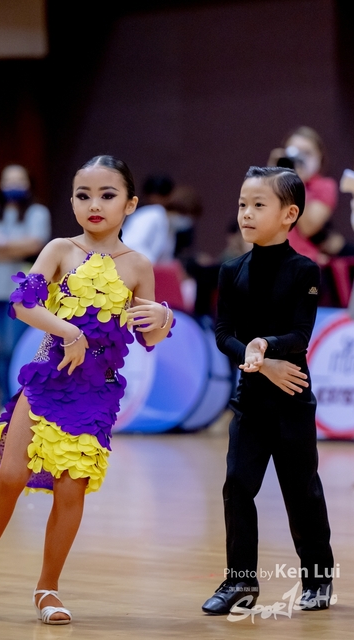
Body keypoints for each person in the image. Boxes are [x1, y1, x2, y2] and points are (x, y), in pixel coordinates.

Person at [0, 155, 174, 625]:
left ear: (130, 204)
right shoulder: (60, 249)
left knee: (71, 491)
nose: (95, 204)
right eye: (83, 195)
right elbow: (22, 304)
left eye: (108, 195)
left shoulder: (139, 266)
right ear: (72, 202)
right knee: (11, 475)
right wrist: (69, 331)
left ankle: (48, 588)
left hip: (95, 392)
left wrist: (163, 316)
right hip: (48, 376)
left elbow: (150, 337)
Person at [202, 166, 334, 616]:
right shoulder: (231, 270)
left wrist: (266, 346)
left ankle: (318, 579)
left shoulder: (304, 270)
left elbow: (300, 334)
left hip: (292, 398)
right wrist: (259, 361)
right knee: (237, 485)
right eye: (243, 204)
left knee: (301, 491)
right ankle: (240, 582)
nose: (246, 213)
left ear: (289, 214)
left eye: (259, 205)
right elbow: (223, 334)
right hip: (251, 399)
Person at [0, 164, 51, 407]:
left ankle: (23, 399)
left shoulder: (37, 212)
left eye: (19, 180)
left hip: (22, 294)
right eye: (8, 181)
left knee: (13, 347)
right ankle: (5, 401)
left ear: (29, 184)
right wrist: (13, 248)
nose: (13, 186)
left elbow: (34, 244)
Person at [268, 126, 354, 262]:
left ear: (319, 157)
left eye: (307, 153)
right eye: (294, 153)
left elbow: (308, 227)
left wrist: (296, 182)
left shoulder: (325, 186)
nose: (299, 159)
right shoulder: (277, 183)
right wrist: (269, 176)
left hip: (304, 263)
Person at [122, 173, 175, 262]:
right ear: (170, 196)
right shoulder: (155, 212)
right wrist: (149, 265)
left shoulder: (139, 213)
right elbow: (131, 244)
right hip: (137, 265)